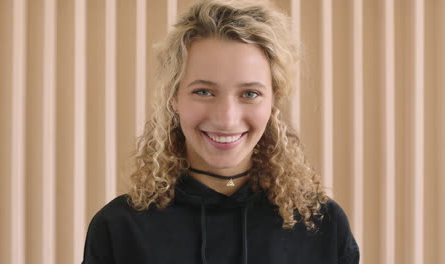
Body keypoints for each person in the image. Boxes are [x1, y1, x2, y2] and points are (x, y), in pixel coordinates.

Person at [82, 0, 360, 263]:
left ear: (273, 99)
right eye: (204, 91)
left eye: (250, 93)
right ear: (173, 98)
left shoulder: (324, 225)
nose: (227, 119)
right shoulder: (119, 229)